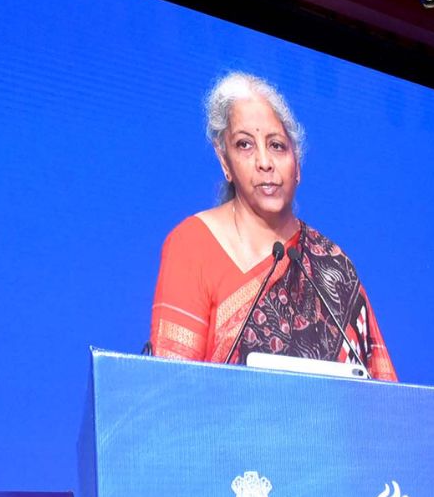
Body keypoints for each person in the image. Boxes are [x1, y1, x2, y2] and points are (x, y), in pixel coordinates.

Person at [149, 72, 396, 380]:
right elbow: (168, 396)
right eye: (245, 145)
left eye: (277, 146)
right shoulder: (192, 245)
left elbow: (384, 403)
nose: (264, 162)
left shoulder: (334, 266)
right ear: (225, 162)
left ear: (298, 164)